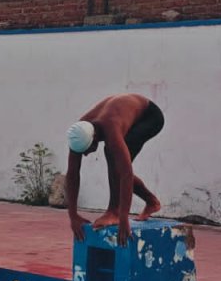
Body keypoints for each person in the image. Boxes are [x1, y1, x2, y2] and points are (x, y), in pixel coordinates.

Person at [65, 94, 164, 247]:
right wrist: (73, 215)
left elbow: (126, 173)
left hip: (149, 116)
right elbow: (72, 174)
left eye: (87, 150)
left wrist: (123, 218)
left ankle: (114, 211)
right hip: (126, 111)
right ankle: (151, 201)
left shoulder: (110, 127)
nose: (85, 154)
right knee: (113, 158)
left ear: (94, 137)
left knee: (114, 158)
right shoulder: (79, 131)